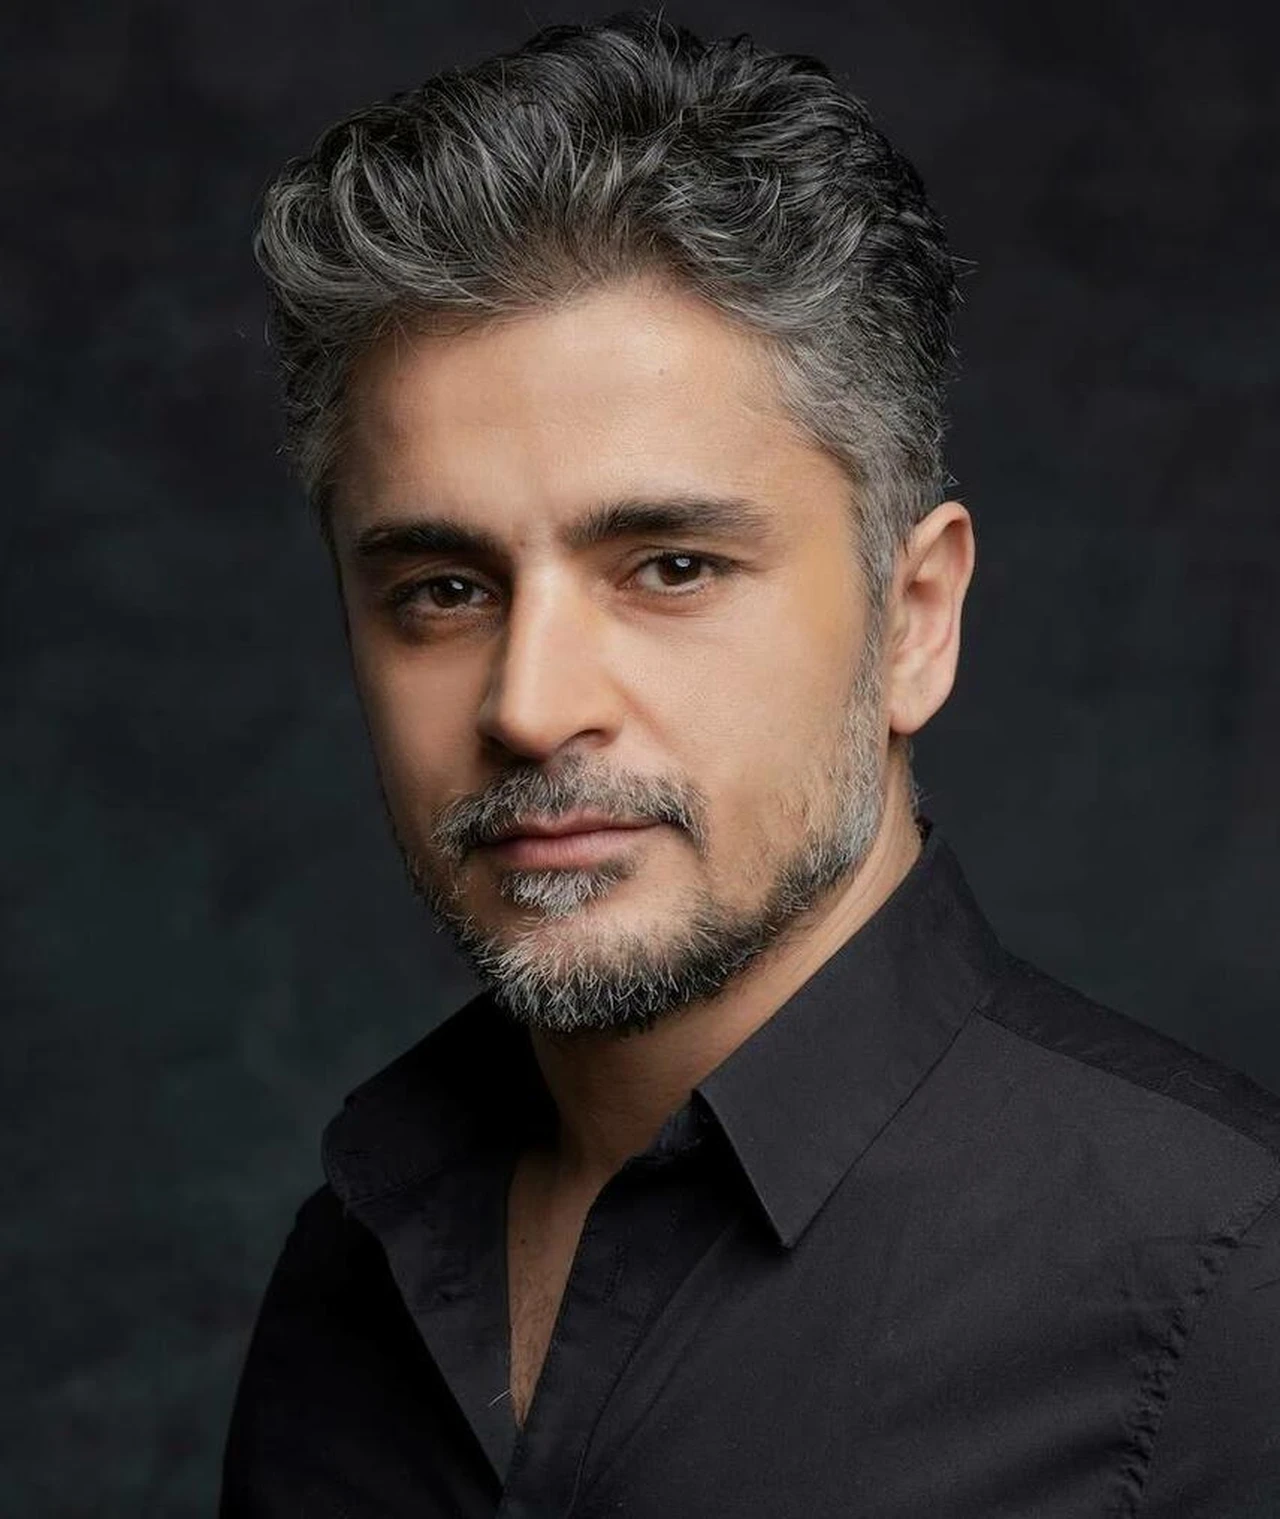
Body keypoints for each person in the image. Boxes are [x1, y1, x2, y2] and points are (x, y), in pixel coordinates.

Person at [220, 13, 1280, 1516]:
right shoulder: (346, 1271)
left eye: (670, 566)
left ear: (915, 619)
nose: (529, 705)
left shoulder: (1229, 1303)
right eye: (443, 589)